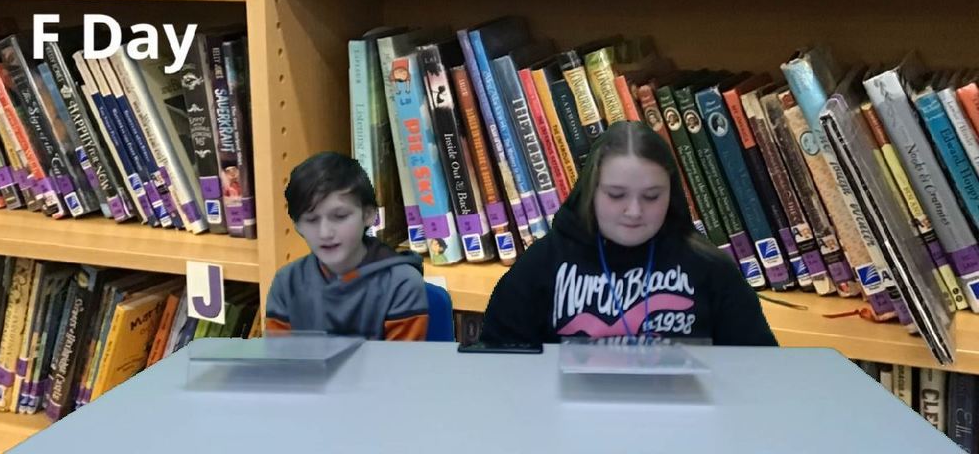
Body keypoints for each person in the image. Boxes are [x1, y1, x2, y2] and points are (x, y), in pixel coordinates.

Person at [480, 121, 778, 346]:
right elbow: (499, 363)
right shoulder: (542, 264)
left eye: (651, 196)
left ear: (671, 195)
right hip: (566, 421)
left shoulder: (711, 269)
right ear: (591, 192)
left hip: (682, 422)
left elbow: (757, 370)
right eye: (616, 195)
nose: (634, 211)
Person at [265, 152, 429, 341]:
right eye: (311, 220)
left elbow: (399, 366)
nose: (325, 233)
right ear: (297, 225)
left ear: (369, 215)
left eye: (340, 216)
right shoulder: (287, 282)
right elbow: (279, 363)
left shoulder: (401, 283)